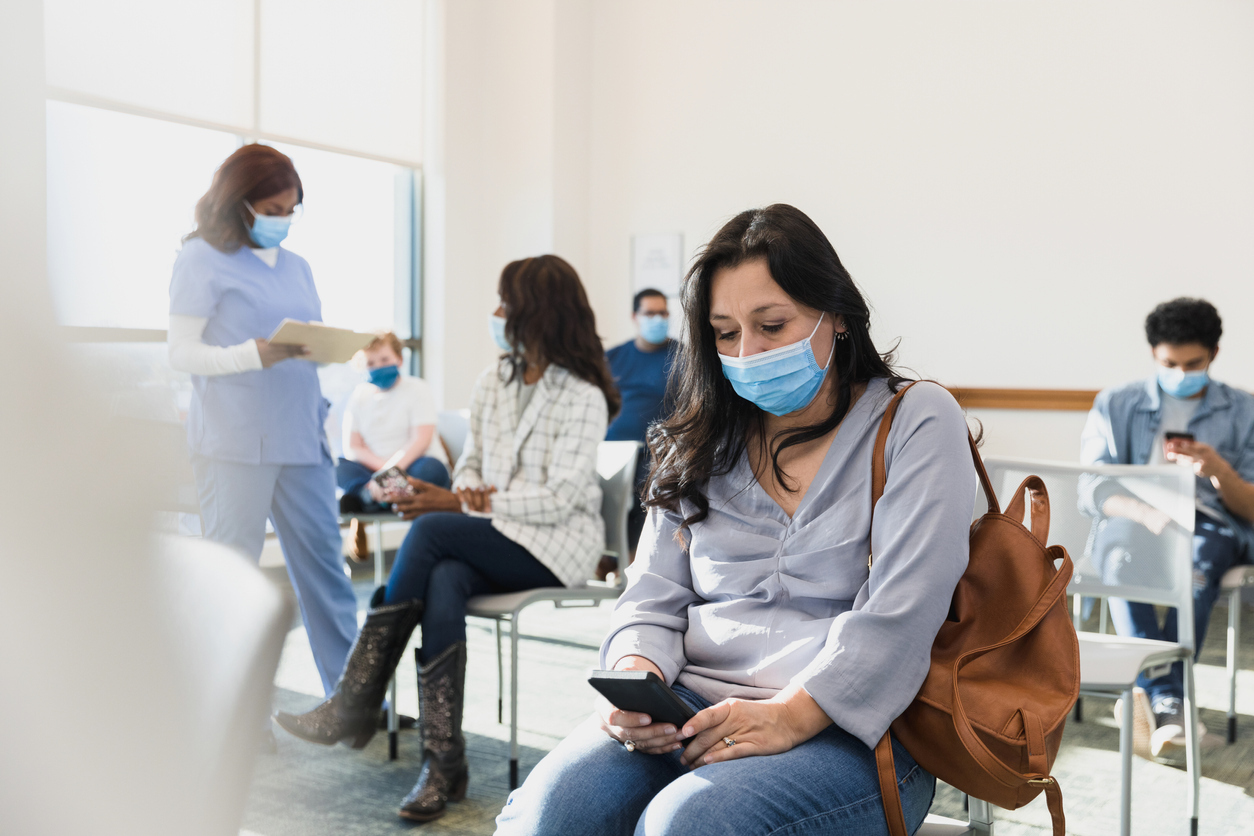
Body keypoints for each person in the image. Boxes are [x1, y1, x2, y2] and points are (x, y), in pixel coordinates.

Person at [494, 205, 975, 836]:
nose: (747, 353)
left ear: (836, 316)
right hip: (687, 704)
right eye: (725, 334)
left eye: (772, 325)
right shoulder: (696, 440)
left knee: (687, 824)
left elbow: (902, 615)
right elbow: (650, 599)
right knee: (550, 815)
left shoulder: (916, 419)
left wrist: (788, 716)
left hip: (855, 730)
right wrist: (637, 676)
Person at [275, 255, 621, 823]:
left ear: (537, 312)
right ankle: (444, 762)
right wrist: (464, 491)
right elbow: (471, 465)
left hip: (556, 544)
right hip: (490, 535)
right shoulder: (494, 380)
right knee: (444, 577)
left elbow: (561, 497)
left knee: (434, 529)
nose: (496, 313)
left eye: (505, 303)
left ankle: (354, 702)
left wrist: (456, 501)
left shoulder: (582, 393)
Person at [167, 143, 358, 699]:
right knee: (231, 578)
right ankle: (228, 706)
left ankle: (347, 701)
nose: (283, 220)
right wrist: (250, 354)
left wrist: (329, 348)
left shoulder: (298, 266)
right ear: (240, 202)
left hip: (300, 435)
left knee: (327, 573)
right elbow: (181, 353)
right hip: (234, 441)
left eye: (291, 209)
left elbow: (303, 339)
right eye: (273, 209)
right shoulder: (199, 258)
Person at [1081, 297, 1254, 760]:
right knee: (1119, 556)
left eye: (1192, 363)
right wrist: (1147, 515)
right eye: (1168, 363)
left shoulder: (1243, 410)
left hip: (1208, 525)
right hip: (1133, 521)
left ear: (1213, 354)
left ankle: (1154, 697)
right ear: (1153, 354)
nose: (1180, 372)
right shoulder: (1116, 403)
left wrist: (1218, 468)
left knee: (1196, 565)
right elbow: (1093, 488)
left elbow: (1251, 508)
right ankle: (1170, 700)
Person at [337, 331, 450, 558]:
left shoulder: (417, 389)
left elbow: (421, 439)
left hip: (413, 466)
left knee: (432, 471)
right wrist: (382, 471)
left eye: (385, 360)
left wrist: (388, 474)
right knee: (337, 467)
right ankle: (387, 497)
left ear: (399, 359)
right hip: (375, 471)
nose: (379, 366)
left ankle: (368, 498)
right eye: (371, 362)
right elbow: (354, 447)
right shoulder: (359, 396)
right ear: (362, 366)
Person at [603, 289, 680, 569]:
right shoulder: (612, 358)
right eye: (650, 313)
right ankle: (605, 558)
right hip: (610, 452)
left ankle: (636, 561)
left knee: (644, 485)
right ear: (635, 317)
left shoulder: (681, 357)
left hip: (657, 452)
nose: (657, 319)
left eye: (663, 313)